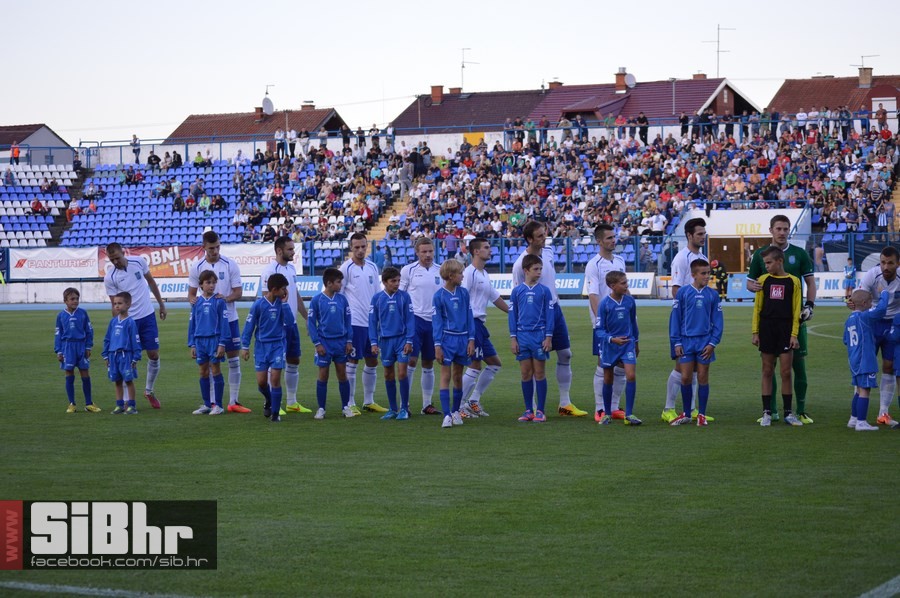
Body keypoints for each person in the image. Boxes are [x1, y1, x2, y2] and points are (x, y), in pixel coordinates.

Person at [512, 221, 587, 417]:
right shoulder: (520, 264)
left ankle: (565, 403)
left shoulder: (548, 252)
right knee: (532, 363)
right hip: (534, 319)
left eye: (544, 234)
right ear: (529, 239)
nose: (544, 238)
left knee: (566, 354)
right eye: (539, 236)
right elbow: (519, 296)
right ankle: (533, 407)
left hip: (555, 309)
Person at [747, 215, 816, 424]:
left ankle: (799, 410)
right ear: (771, 230)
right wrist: (754, 286)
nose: (782, 232)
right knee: (769, 366)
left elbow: (810, 283)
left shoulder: (799, 254)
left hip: (793, 321)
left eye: (786, 229)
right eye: (778, 228)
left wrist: (809, 306)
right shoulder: (761, 255)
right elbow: (750, 283)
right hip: (769, 322)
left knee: (797, 366)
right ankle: (772, 411)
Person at [187, 231, 248, 412]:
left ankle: (233, 401)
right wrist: (195, 301)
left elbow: (238, 292)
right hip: (208, 325)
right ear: (204, 247)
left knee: (233, 359)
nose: (215, 251)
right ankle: (212, 403)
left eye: (217, 247)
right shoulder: (196, 267)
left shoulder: (230, 264)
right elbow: (191, 295)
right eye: (211, 248)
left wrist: (224, 299)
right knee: (210, 364)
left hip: (229, 319)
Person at [103, 243, 167, 409]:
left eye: (117, 258)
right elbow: (114, 304)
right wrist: (117, 326)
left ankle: (149, 390)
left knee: (153, 354)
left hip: (147, 316)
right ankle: (126, 401)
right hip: (129, 322)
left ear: (123, 252)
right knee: (126, 359)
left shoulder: (139, 262)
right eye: (111, 259)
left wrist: (161, 304)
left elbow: (151, 282)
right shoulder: (110, 277)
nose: (115, 262)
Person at [661, 218, 709, 423]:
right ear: (689, 235)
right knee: (681, 366)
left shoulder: (703, 257)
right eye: (699, 234)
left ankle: (691, 409)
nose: (703, 236)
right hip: (684, 322)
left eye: (704, 233)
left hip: (699, 322)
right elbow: (676, 289)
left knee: (696, 368)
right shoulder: (681, 258)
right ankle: (668, 408)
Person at [751, 247, 802, 427]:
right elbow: (757, 308)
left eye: (769, 262)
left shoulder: (794, 281)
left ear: (780, 261)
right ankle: (767, 412)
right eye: (765, 263)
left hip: (785, 330)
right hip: (767, 329)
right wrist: (755, 332)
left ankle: (788, 413)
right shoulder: (763, 280)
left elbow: (796, 310)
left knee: (786, 372)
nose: (766, 266)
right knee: (767, 370)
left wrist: (794, 334)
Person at [668, 259, 723, 426]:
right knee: (685, 378)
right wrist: (677, 342)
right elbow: (675, 319)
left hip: (704, 342)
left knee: (702, 377)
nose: (707, 276)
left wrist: (713, 343)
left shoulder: (713, 295)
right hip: (686, 342)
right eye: (703, 273)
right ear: (693, 275)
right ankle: (686, 414)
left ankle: (702, 415)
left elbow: (718, 321)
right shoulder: (683, 293)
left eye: (708, 273)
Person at [259, 237, 311, 414]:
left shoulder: (291, 268)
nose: (293, 252)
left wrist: (306, 317)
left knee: (294, 360)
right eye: (290, 249)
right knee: (275, 365)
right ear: (279, 251)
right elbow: (266, 299)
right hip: (278, 327)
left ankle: (291, 402)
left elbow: (295, 293)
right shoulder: (269, 271)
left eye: (293, 249)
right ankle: (273, 403)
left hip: (292, 323)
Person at [339, 232, 387, 414]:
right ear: (351, 247)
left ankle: (369, 401)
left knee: (372, 360)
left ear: (367, 246)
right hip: (355, 322)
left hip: (371, 323)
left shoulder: (373, 267)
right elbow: (340, 295)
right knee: (352, 361)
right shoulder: (346, 268)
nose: (360, 250)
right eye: (356, 247)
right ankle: (350, 402)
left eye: (363, 246)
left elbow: (377, 294)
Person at [460, 237, 508, 418]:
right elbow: (462, 298)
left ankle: (473, 400)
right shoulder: (469, 273)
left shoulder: (484, 274)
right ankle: (459, 406)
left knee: (495, 363)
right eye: (486, 247)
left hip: (480, 324)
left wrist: (514, 313)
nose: (490, 250)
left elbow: (495, 298)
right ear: (476, 251)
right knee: (474, 365)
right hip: (471, 323)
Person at [585, 223, 627, 420]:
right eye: (609, 238)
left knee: (622, 364)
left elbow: (625, 290)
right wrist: (601, 322)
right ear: (599, 241)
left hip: (622, 322)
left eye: (614, 237)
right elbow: (593, 295)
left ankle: (614, 406)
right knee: (604, 365)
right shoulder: (593, 265)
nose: (613, 240)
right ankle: (600, 408)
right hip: (604, 325)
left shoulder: (620, 261)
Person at [241, 273, 294, 423]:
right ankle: (269, 400)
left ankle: (275, 414)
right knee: (262, 382)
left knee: (275, 379)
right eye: (283, 289)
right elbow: (249, 325)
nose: (285, 292)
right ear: (274, 289)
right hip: (261, 347)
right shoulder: (258, 305)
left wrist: (285, 304)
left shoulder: (281, 304)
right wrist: (245, 346)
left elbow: (290, 322)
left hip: (278, 345)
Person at [856, 246, 900, 425]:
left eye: (890, 263)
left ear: (898, 263)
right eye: (883, 262)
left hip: (893, 324)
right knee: (864, 367)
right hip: (873, 322)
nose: (886, 267)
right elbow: (858, 297)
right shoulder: (871, 275)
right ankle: (856, 415)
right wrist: (853, 302)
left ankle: (883, 412)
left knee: (889, 366)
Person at [399, 236, 443, 415]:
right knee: (411, 360)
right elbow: (401, 296)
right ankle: (405, 404)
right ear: (417, 252)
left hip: (434, 322)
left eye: (430, 251)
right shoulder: (408, 270)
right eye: (424, 252)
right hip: (415, 320)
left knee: (428, 362)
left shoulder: (440, 270)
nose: (428, 255)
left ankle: (427, 404)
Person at [509, 253, 554, 423]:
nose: (539, 272)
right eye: (536, 269)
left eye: (540, 269)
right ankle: (528, 409)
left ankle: (540, 410)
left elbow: (550, 315)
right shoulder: (517, 291)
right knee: (525, 373)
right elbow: (512, 316)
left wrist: (548, 337)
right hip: (522, 336)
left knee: (540, 372)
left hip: (539, 336)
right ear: (526, 270)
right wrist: (513, 338)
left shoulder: (544, 291)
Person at [432, 259, 476, 428]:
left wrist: (471, 339)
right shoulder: (439, 296)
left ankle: (456, 411)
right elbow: (437, 322)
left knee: (458, 375)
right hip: (447, 340)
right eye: (460, 273)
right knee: (446, 376)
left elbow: (469, 317)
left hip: (463, 339)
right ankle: (446, 415)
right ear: (451, 276)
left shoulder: (464, 293)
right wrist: (438, 345)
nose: (463, 276)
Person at [594, 271, 641, 426]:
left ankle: (629, 414)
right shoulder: (604, 304)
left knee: (631, 375)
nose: (627, 285)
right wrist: (612, 339)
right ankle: (607, 413)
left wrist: (636, 342)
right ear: (612, 286)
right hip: (610, 346)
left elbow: (633, 323)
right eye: (623, 283)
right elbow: (599, 330)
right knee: (608, 378)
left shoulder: (630, 301)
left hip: (627, 344)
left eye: (626, 282)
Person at [307, 268, 355, 420]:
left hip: (341, 342)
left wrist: (349, 340)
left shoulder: (342, 300)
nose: (341, 285)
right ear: (329, 283)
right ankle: (321, 408)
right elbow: (311, 323)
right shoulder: (317, 300)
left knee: (342, 374)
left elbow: (348, 321)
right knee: (323, 374)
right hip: (324, 343)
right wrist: (317, 343)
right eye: (338, 282)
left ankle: (345, 407)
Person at [369, 267, 415, 420]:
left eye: (398, 281)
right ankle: (392, 409)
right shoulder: (377, 299)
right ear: (384, 282)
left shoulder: (404, 297)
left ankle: (404, 408)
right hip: (385, 341)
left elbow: (410, 319)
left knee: (402, 373)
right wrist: (374, 342)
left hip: (401, 340)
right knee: (388, 374)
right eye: (393, 281)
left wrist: (409, 340)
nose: (397, 284)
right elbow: (372, 322)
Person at [845, 289, 891, 431]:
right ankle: (861, 422)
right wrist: (884, 292)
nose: (872, 305)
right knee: (865, 389)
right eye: (870, 302)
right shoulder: (864, 317)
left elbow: (845, 340)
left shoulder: (849, 319)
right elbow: (881, 310)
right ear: (864, 303)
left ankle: (853, 419)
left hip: (853, 359)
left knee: (859, 389)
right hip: (865, 359)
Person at [188, 271, 231, 416]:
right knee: (203, 371)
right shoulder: (196, 302)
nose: (212, 285)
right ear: (201, 285)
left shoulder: (219, 301)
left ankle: (218, 405)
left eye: (213, 282)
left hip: (214, 340)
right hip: (199, 341)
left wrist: (222, 343)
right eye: (208, 282)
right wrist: (192, 344)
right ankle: (207, 404)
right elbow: (192, 324)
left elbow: (224, 323)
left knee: (216, 369)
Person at [55, 288, 100, 413]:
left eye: (77, 298)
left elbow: (89, 331)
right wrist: (59, 351)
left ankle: (89, 403)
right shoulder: (61, 316)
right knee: (69, 373)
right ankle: (72, 404)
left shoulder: (83, 313)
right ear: (65, 301)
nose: (75, 301)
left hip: (81, 346)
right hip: (67, 347)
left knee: (85, 373)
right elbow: (58, 334)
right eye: (72, 299)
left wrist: (88, 346)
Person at [102, 292, 142, 415]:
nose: (117, 306)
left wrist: (136, 357)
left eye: (120, 303)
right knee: (117, 381)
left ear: (128, 304)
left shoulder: (130, 322)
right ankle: (119, 405)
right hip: (113, 356)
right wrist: (105, 355)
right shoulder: (113, 322)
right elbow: (107, 339)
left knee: (128, 380)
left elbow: (135, 340)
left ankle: (132, 406)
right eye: (115, 304)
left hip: (126, 356)